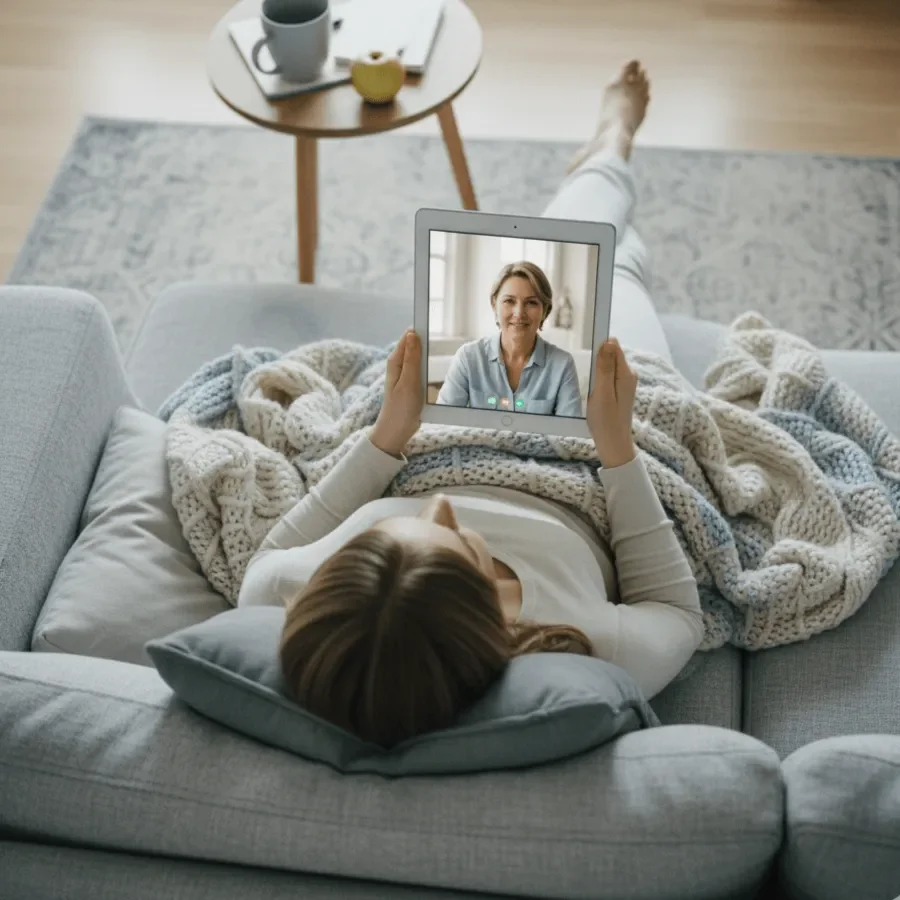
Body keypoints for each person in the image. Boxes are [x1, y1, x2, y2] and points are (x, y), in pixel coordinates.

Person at [238, 61, 704, 749]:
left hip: (428, 436)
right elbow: (676, 611)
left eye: (386, 538)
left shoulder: (293, 592)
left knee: (593, 251)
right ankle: (609, 147)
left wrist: (387, 438)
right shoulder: (588, 641)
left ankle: (602, 167)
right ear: (483, 616)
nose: (441, 507)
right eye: (456, 545)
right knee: (614, 261)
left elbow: (267, 558)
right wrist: (616, 449)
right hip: (590, 458)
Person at [436, 260, 584, 417]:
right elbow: (442, 423)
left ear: (545, 310)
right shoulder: (468, 357)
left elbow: (569, 438)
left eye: (531, 303)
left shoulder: (562, 365)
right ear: (494, 304)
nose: (519, 312)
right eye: (509, 301)